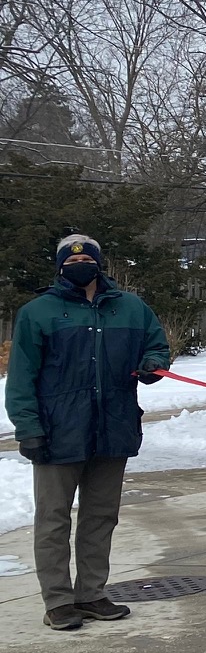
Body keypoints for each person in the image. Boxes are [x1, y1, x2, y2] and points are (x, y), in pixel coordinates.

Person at [7, 234, 169, 631]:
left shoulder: (131, 308)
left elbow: (159, 347)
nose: (78, 265)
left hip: (112, 429)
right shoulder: (38, 312)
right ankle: (58, 601)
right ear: (60, 267)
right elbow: (21, 377)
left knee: (100, 516)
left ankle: (92, 593)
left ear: (99, 263)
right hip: (57, 432)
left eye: (86, 259)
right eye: (70, 260)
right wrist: (27, 428)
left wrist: (152, 362)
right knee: (53, 519)